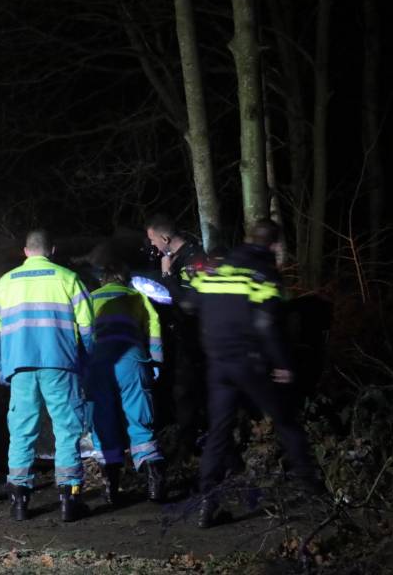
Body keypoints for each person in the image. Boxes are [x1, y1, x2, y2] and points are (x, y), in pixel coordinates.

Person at [188, 219, 323, 529]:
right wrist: (283, 364)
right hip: (249, 362)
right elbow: (267, 324)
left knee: (219, 431)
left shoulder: (219, 269)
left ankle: (208, 502)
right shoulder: (263, 274)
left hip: (218, 364)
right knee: (286, 420)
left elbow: (190, 303)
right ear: (274, 245)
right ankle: (312, 489)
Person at [0, 229, 94, 522]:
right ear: (52, 250)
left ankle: (19, 501)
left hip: (20, 367)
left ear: (25, 251)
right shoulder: (69, 279)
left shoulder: (4, 283)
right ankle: (69, 499)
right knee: (66, 429)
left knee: (22, 431)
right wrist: (85, 362)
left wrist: (2, 363)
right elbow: (88, 328)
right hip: (61, 365)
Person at [86, 261, 166, 505]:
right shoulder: (136, 296)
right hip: (131, 358)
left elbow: (81, 331)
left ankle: (111, 489)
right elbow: (154, 325)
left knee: (103, 421)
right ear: (124, 279)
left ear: (102, 280)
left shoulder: (91, 298)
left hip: (99, 362)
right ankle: (155, 483)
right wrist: (156, 361)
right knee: (140, 418)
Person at [145, 213, 209, 463]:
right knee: (182, 390)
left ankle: (190, 446)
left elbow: (190, 304)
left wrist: (168, 277)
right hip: (181, 335)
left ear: (165, 238)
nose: (152, 246)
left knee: (187, 391)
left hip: (196, 337)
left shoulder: (193, 259)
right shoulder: (175, 258)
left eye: (153, 240)